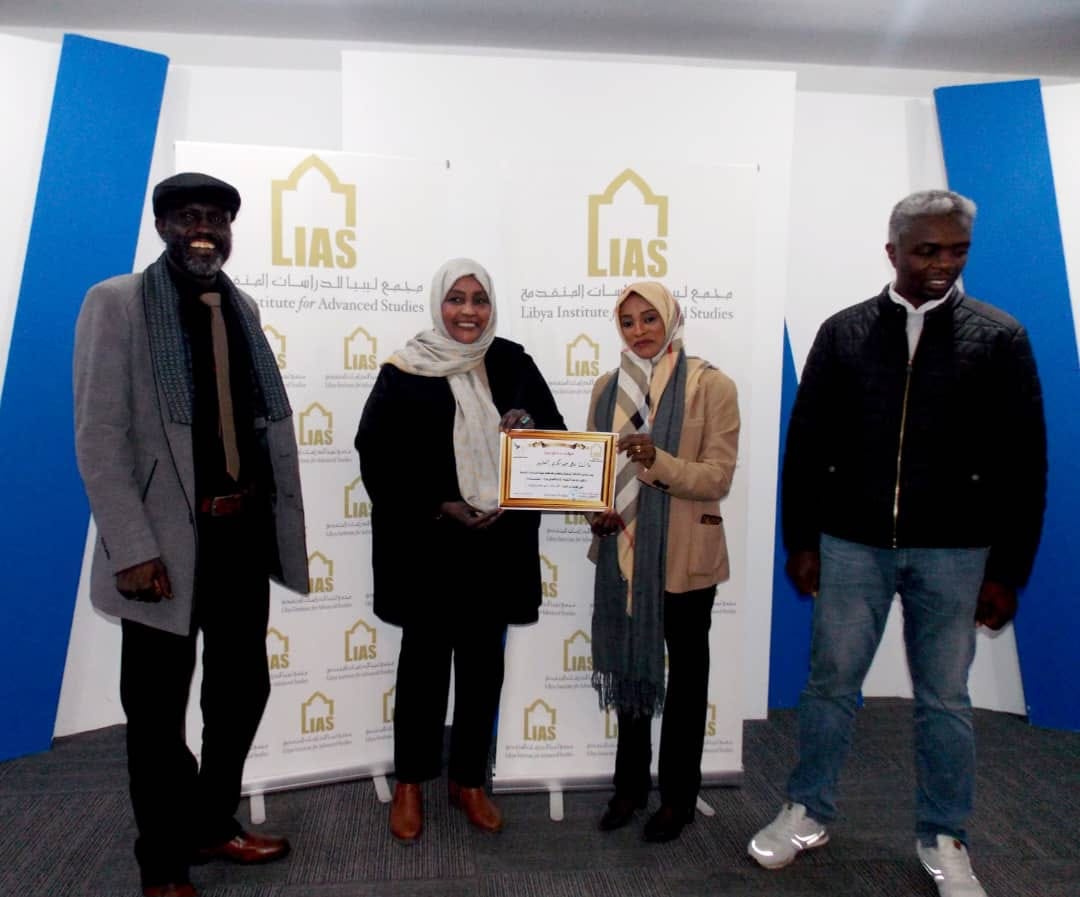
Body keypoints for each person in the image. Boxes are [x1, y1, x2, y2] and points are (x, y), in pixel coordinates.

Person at [748, 190, 1047, 897]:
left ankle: (944, 834)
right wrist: (802, 540)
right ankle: (807, 809)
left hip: (957, 552)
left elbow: (1024, 460)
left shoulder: (1000, 337)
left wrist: (1008, 569)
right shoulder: (845, 332)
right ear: (893, 251)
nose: (943, 263)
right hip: (852, 544)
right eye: (927, 250)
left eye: (957, 250)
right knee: (830, 687)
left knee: (945, 699)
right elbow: (807, 444)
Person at [73, 173, 309, 897]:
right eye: (188, 216)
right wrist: (133, 547)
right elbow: (99, 436)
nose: (203, 229)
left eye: (216, 218)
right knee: (155, 712)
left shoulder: (241, 307)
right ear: (162, 226)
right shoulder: (117, 303)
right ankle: (162, 860)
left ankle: (210, 821)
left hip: (239, 538)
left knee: (241, 692)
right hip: (163, 547)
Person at [355, 257, 565, 842]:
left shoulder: (513, 363)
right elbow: (376, 454)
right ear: (438, 304)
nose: (468, 311)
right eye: (456, 299)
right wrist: (439, 502)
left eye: (479, 299)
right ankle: (411, 782)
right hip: (428, 546)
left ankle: (469, 780)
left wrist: (529, 430)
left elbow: (553, 436)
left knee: (482, 669)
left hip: (495, 548)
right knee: (422, 671)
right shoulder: (405, 369)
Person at [587, 281, 740, 843]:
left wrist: (658, 461)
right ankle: (628, 788)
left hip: (685, 559)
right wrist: (597, 513)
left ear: (672, 318)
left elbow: (717, 477)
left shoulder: (711, 385)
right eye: (628, 321)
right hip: (623, 553)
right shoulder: (607, 388)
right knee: (631, 667)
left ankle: (678, 797)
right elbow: (594, 472)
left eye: (649, 318)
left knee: (686, 681)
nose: (639, 331)